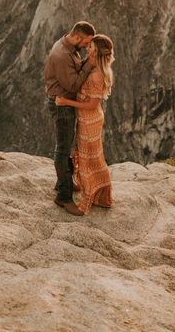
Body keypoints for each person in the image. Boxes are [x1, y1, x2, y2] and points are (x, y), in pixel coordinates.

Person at [55, 34, 114, 215]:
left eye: (91, 48)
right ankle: (102, 195)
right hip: (87, 119)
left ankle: (90, 197)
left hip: (90, 119)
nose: (87, 49)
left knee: (89, 160)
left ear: (97, 52)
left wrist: (66, 102)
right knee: (90, 156)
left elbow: (92, 105)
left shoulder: (97, 75)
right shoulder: (94, 67)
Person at [44, 21, 96, 216]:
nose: (86, 46)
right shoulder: (62, 55)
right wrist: (90, 65)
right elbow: (73, 85)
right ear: (78, 36)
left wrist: (84, 62)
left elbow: (73, 72)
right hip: (62, 104)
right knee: (63, 149)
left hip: (62, 102)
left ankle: (62, 182)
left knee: (64, 145)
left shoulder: (69, 47)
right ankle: (63, 197)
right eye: (87, 42)